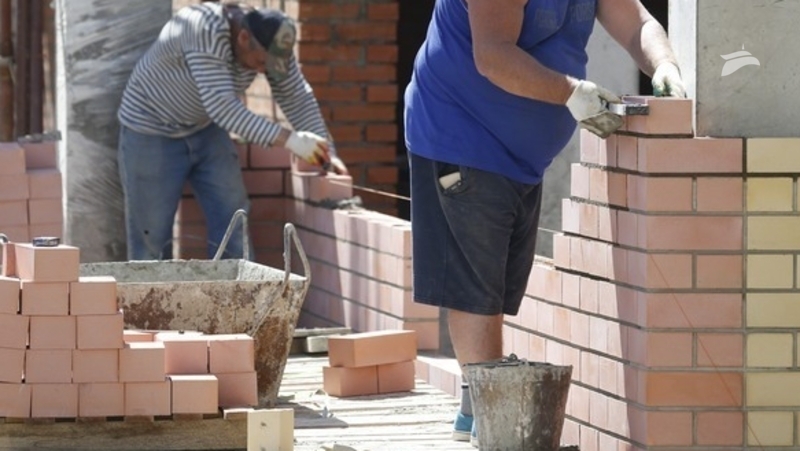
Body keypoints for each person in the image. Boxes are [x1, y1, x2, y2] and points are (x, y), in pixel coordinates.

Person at [403, 0, 685, 445]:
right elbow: (493, 55)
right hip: (461, 133)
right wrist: (572, 92)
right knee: (477, 286)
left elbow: (638, 25)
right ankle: (489, 416)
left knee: (497, 283)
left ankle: (477, 405)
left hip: (520, 156)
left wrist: (665, 65)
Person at [117, 2, 347, 261]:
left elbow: (296, 97)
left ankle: (235, 286)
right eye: (260, 62)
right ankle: (152, 289)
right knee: (151, 235)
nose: (263, 71)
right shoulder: (203, 29)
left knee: (233, 215)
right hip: (150, 128)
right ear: (243, 37)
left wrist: (327, 152)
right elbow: (223, 108)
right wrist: (291, 140)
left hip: (204, 127)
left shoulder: (273, 40)